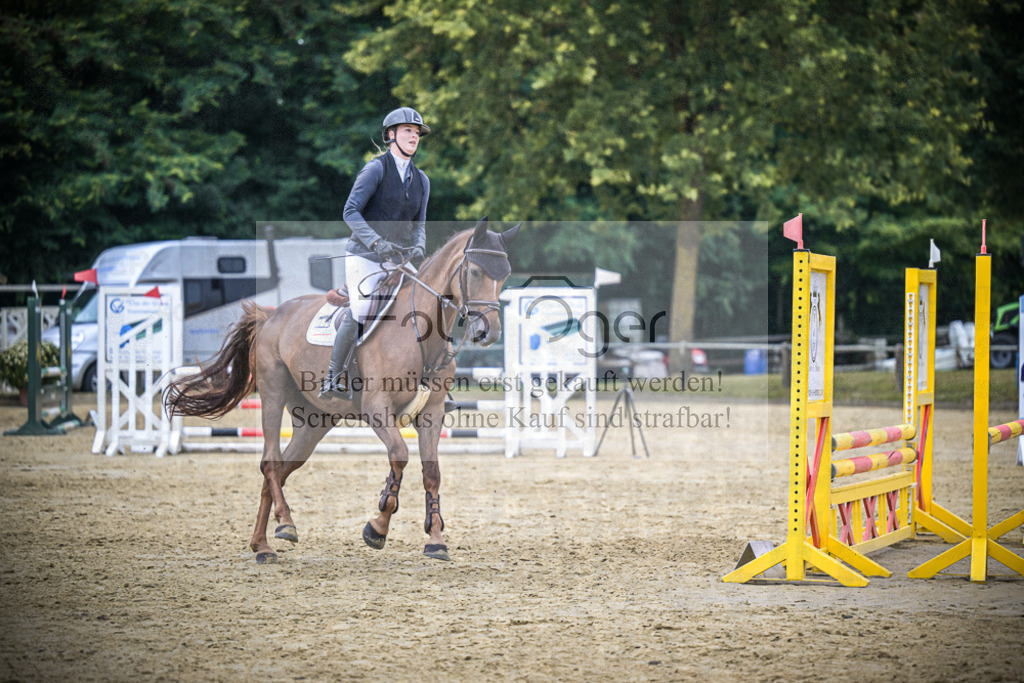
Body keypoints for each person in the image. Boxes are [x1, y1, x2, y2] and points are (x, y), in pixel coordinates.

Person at [321, 107, 431, 399]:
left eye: (417, 132)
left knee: (429, 303)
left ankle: (432, 377)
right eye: (408, 130)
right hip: (365, 256)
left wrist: (419, 244)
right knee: (361, 309)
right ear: (391, 135)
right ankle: (333, 376)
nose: (414, 136)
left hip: (399, 261)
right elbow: (350, 211)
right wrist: (375, 242)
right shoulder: (376, 169)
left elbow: (419, 223)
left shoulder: (422, 180)